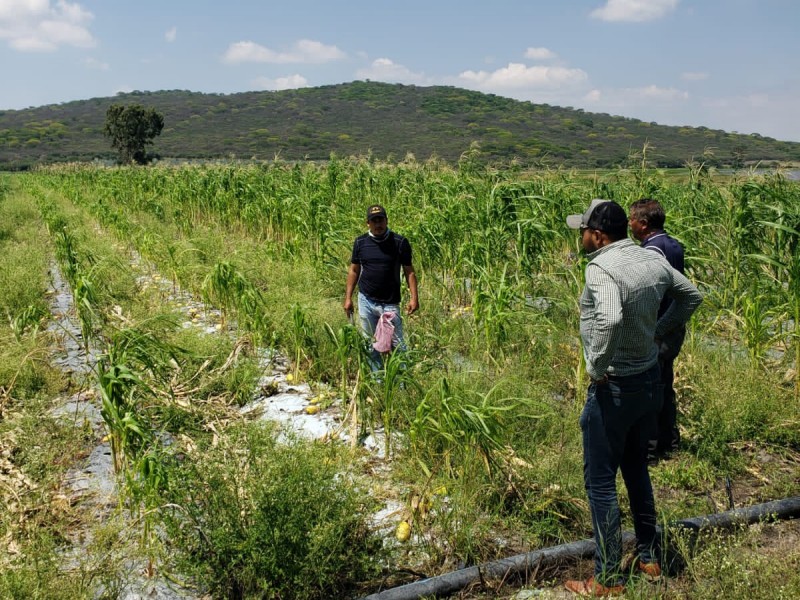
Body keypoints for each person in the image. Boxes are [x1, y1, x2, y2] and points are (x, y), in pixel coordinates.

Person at [563, 199, 702, 597]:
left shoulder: (601, 268)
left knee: (602, 484)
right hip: (648, 382)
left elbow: (609, 318)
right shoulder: (650, 260)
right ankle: (649, 556)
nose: (582, 236)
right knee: (637, 469)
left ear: (598, 235)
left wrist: (595, 366)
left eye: (584, 230)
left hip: (616, 388)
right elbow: (691, 297)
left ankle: (607, 578)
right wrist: (660, 331)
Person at [629, 198, 687, 461]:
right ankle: (669, 442)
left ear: (643, 224)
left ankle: (650, 450)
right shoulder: (672, 244)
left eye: (632, 219)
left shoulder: (651, 252)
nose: (629, 224)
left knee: (651, 388)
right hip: (673, 326)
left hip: (659, 327)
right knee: (664, 384)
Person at [343, 204, 419, 371]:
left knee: (397, 345)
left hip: (390, 303)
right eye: (374, 221)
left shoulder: (399, 242)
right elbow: (354, 270)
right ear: (367, 223)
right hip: (366, 300)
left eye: (381, 220)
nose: (378, 224)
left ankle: (401, 385)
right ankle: (377, 381)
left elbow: (409, 271)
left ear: (386, 220)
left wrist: (414, 298)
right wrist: (348, 298)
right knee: (370, 344)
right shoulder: (360, 242)